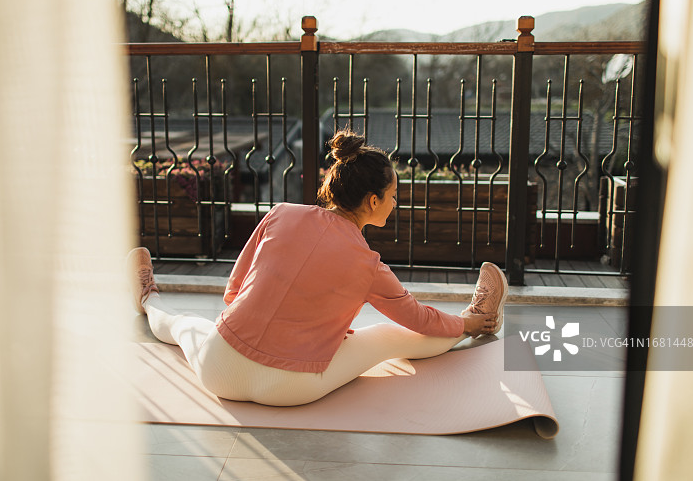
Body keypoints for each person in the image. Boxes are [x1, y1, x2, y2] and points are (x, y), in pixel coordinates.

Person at [128, 130, 508, 407]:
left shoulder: (280, 214)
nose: (396, 202)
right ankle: (476, 319)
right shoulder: (368, 265)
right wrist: (466, 326)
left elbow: (234, 289)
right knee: (387, 335)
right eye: (393, 196)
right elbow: (419, 319)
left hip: (219, 368)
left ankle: (147, 298)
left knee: (183, 325)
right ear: (373, 200)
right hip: (290, 389)